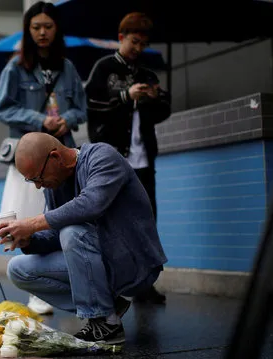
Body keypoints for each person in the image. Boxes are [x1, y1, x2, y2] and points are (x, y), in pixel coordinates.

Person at [0, 132, 167, 345]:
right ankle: (108, 307)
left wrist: (32, 223)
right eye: (32, 181)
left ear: (56, 157)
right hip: (96, 260)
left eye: (38, 178)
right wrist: (29, 240)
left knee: (72, 231)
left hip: (132, 263)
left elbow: (91, 205)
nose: (38, 186)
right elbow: (53, 234)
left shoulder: (102, 156)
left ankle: (105, 324)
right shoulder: (54, 185)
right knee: (18, 269)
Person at [0, 1, 87, 315]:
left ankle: (69, 280)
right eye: (36, 27)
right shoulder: (15, 67)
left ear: (56, 29)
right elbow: (1, 107)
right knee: (27, 214)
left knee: (63, 215)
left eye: (48, 26)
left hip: (61, 154)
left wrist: (67, 118)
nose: (42, 32)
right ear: (28, 30)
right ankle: (36, 289)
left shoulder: (68, 67)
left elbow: (82, 108)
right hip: (29, 155)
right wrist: (38, 120)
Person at [84, 12, 170, 304]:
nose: (138, 48)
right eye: (134, 41)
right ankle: (113, 283)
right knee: (109, 219)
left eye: (143, 44)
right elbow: (91, 105)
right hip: (112, 157)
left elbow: (164, 110)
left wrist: (154, 97)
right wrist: (125, 96)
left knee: (147, 221)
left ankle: (146, 284)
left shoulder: (148, 74)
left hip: (143, 156)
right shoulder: (105, 67)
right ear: (121, 38)